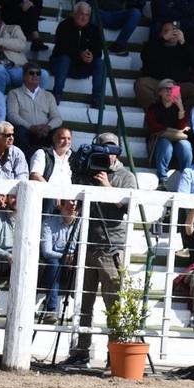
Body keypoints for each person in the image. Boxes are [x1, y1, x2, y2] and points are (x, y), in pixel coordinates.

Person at [64, 132, 138, 365]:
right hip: (87, 241)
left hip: (111, 246)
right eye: (103, 147)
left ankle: (113, 356)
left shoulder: (126, 176)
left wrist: (106, 186)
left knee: (113, 303)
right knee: (83, 303)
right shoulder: (88, 170)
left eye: (111, 148)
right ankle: (80, 353)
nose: (107, 153)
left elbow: (127, 204)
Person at [135, 22, 194, 111]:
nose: (171, 33)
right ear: (160, 33)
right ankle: (156, 111)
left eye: (174, 30)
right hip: (158, 84)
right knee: (141, 84)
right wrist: (163, 39)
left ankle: (177, 111)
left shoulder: (184, 47)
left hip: (178, 86)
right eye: (166, 31)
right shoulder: (155, 44)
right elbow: (145, 55)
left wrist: (183, 42)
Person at [50, 2, 105, 106]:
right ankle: (57, 94)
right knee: (64, 58)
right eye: (81, 14)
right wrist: (79, 54)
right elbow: (61, 48)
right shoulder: (64, 26)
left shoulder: (94, 29)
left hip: (82, 67)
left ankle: (96, 98)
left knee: (99, 62)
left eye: (87, 15)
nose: (84, 18)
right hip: (61, 66)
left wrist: (91, 56)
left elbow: (98, 50)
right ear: (74, 14)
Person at [144, 79, 193, 189]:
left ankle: (186, 178)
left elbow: (182, 126)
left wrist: (180, 106)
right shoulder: (153, 108)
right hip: (158, 141)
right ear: (160, 92)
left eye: (173, 89)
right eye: (167, 89)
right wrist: (177, 131)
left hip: (177, 141)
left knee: (185, 145)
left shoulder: (179, 108)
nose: (170, 91)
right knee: (165, 143)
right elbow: (154, 127)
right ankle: (163, 179)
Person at [38, 197, 78, 323]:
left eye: (76, 203)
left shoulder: (82, 223)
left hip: (73, 261)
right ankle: (51, 309)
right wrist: (64, 257)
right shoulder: (49, 223)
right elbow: (47, 252)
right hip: (55, 260)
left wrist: (74, 257)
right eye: (70, 202)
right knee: (54, 265)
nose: (74, 205)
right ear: (61, 205)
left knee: (84, 265)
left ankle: (79, 310)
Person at [6, 63, 61, 154]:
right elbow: (12, 115)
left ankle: (54, 163)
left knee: (59, 132)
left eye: (38, 73)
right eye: (31, 73)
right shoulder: (14, 93)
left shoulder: (48, 95)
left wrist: (48, 127)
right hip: (26, 131)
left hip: (44, 132)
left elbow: (57, 117)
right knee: (19, 131)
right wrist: (30, 127)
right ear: (24, 76)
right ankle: (24, 161)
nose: (35, 76)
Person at [0, 4, 32, 91]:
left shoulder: (13, 28)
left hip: (19, 69)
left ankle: (38, 103)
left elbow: (22, 44)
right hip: (0, 72)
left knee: (44, 74)